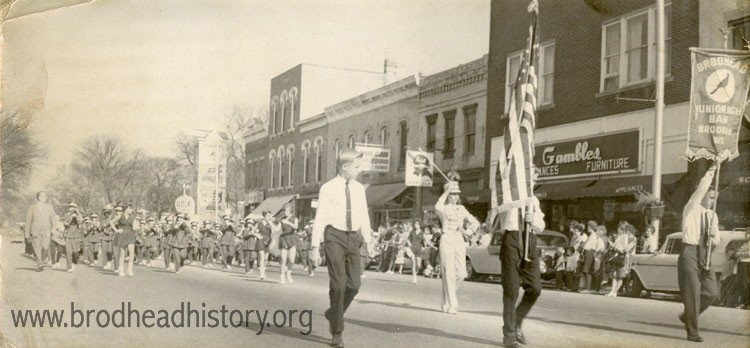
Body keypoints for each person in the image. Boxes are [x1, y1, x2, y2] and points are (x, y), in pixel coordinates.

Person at [310, 148, 373, 348]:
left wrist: (369, 241)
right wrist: (314, 246)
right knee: (338, 285)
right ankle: (337, 332)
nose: (359, 171)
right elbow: (320, 217)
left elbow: (364, 214)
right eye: (357, 167)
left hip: (353, 237)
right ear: (345, 167)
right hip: (333, 236)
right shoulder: (328, 188)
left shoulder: (358, 188)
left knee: (354, 285)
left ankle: (333, 313)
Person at [497, 167, 545, 348]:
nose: (533, 177)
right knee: (511, 291)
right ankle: (509, 335)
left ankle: (516, 321)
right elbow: (500, 214)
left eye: (534, 174)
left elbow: (540, 225)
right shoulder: (508, 195)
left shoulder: (534, 200)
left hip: (530, 241)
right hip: (513, 239)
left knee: (535, 288)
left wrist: (532, 219)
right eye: (529, 172)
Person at [677, 164, 721, 343]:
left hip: (705, 253)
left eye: (714, 197)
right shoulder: (691, 208)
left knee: (711, 292)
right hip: (690, 251)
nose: (712, 200)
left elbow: (717, 239)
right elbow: (702, 187)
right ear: (702, 196)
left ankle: (688, 315)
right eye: (710, 197)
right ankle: (692, 332)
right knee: (692, 293)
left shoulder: (712, 216)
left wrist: (713, 237)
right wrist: (713, 169)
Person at [435, 180, 479, 315]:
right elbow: (437, 206)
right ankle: (452, 304)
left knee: (462, 273)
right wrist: (446, 191)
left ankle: (446, 299)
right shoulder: (443, 208)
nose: (455, 197)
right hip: (447, 238)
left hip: (459, 239)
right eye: (452, 194)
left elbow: (475, 222)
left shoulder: (462, 208)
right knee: (448, 272)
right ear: (448, 195)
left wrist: (469, 231)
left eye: (456, 194)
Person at [25, 191, 57, 272]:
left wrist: (54, 227)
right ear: (39, 197)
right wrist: (27, 233)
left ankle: (41, 261)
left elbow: (54, 218)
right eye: (44, 196)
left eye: (46, 196)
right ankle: (40, 264)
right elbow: (28, 221)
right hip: (35, 231)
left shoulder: (49, 207)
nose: (45, 198)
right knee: (37, 248)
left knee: (45, 247)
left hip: (47, 230)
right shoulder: (32, 207)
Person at [606, 223, 637, 297]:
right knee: (615, 275)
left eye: (626, 231)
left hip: (625, 258)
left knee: (620, 276)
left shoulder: (633, 239)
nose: (625, 232)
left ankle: (615, 291)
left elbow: (626, 250)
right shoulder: (622, 237)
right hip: (618, 257)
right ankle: (612, 291)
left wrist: (617, 248)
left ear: (629, 231)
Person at [114, 203, 137, 277]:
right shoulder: (120, 215)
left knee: (131, 252)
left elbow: (135, 227)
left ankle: (130, 270)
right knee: (122, 253)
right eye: (130, 208)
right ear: (126, 209)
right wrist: (116, 230)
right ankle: (121, 270)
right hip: (122, 234)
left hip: (130, 234)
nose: (131, 210)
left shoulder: (133, 217)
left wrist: (138, 227)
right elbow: (111, 222)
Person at [279, 203, 300, 284]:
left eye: (286, 210)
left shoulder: (295, 218)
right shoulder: (282, 219)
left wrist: (287, 222)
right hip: (283, 238)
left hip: (292, 238)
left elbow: (296, 227)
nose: (285, 212)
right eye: (284, 210)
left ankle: (288, 273)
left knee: (291, 259)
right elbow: (277, 228)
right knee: (283, 259)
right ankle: (282, 276)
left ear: (290, 210)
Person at [63, 203, 84, 273]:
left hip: (76, 236)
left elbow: (81, 223)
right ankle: (69, 267)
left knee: (76, 252)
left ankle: (73, 262)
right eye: (70, 207)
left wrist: (77, 216)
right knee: (68, 252)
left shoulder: (79, 215)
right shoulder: (66, 215)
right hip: (68, 235)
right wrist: (70, 217)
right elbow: (65, 224)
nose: (72, 209)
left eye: (73, 207)